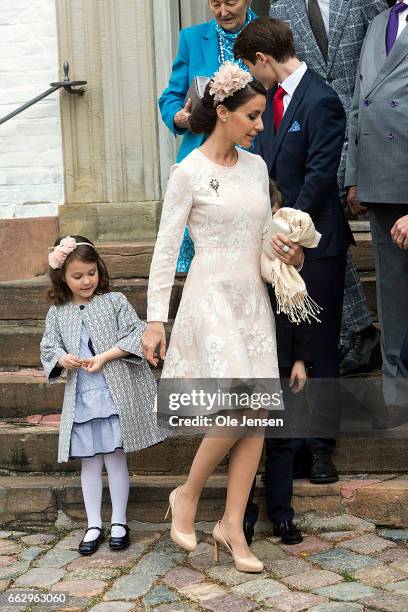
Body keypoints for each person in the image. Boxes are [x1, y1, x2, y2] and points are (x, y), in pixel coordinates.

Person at [142, 61, 303, 572]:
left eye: (261, 116)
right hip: (209, 295)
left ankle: (233, 524)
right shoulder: (187, 173)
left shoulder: (256, 167)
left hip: (252, 298)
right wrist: (155, 319)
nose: (260, 125)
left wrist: (289, 255)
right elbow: (166, 250)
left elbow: (262, 237)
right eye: (252, 116)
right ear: (224, 113)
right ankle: (187, 494)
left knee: (256, 414)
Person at [235, 17, 350, 486]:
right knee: (286, 346)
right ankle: (292, 445)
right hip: (274, 245)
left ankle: (322, 448)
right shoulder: (264, 105)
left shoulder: (322, 99)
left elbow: (323, 174)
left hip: (315, 244)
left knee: (319, 346)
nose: (252, 76)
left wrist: (288, 228)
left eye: (251, 66)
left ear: (264, 59)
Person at [268, 0, 386, 378]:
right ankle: (357, 329)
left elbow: (381, 62)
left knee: (325, 232)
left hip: (365, 125)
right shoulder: (282, 5)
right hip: (312, 131)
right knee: (324, 230)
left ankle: (355, 329)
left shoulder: (366, 3)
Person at [40, 236, 169, 556]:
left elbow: (135, 332)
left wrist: (106, 356)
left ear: (100, 270)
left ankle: (120, 521)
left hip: (112, 396)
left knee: (115, 458)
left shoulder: (114, 302)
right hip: (83, 397)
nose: (86, 281)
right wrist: (62, 359)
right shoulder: (57, 313)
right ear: (62, 278)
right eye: (77, 276)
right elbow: (48, 346)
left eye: (91, 273)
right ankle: (94, 523)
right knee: (89, 463)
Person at [159, 0, 257, 273]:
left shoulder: (267, 32)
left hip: (255, 151)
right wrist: (178, 117)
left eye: (231, 2)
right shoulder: (191, 38)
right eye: (215, 3)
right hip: (206, 153)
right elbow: (172, 96)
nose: (223, 11)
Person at [345, 0, 408, 416]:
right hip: (380, 177)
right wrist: (353, 173)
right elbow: (359, 99)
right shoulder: (380, 21)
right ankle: (396, 390)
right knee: (392, 292)